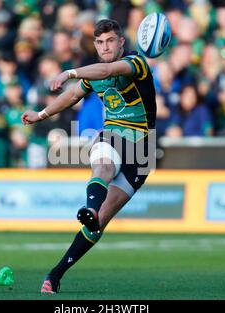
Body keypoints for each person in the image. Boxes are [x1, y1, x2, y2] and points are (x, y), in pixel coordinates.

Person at [21, 19, 156, 294]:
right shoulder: (94, 75)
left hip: (143, 150)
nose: (105, 47)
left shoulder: (136, 64)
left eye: (110, 41)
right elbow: (71, 97)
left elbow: (106, 70)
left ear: (121, 42)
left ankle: (56, 272)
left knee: (99, 224)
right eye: (100, 42)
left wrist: (69, 72)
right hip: (115, 135)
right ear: (95, 45)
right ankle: (89, 209)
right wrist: (41, 115)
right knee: (103, 164)